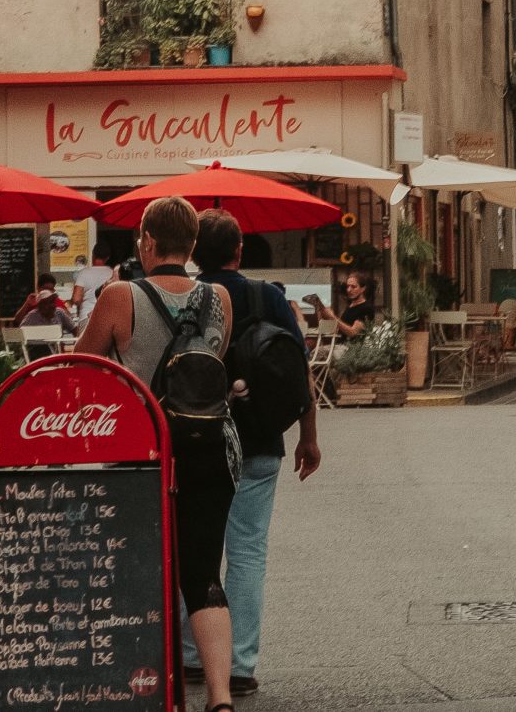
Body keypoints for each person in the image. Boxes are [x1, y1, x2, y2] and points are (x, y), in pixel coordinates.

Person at [76, 197, 238, 712]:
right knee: (203, 573)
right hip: (211, 448)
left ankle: (146, 689)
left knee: (137, 568)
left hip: (142, 450)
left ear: (146, 241)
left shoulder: (120, 295)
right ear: (191, 245)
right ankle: (220, 696)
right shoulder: (219, 299)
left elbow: (82, 364)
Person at [182, 210, 320, 695]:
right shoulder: (269, 296)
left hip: (199, 442)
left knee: (196, 547)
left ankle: (194, 656)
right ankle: (239, 665)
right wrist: (308, 435)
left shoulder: (190, 298)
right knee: (247, 553)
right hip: (261, 439)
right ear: (239, 251)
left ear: (195, 253)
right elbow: (298, 367)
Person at [312, 271, 386, 339]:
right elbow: (340, 329)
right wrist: (322, 313)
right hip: (338, 344)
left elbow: (353, 332)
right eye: (348, 286)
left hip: (350, 348)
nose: (349, 290)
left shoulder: (366, 308)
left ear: (363, 289)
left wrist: (333, 317)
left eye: (353, 287)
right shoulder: (351, 305)